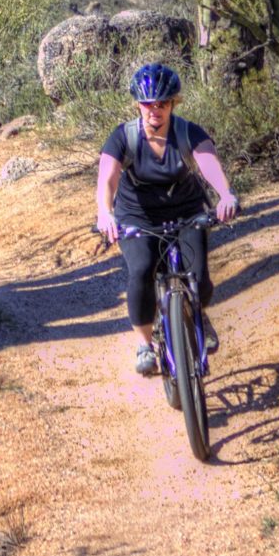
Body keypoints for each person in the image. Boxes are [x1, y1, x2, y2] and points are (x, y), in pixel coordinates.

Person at [94, 62, 239, 379]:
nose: (154, 110)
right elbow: (108, 178)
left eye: (162, 103)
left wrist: (225, 195)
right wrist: (105, 213)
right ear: (138, 105)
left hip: (187, 212)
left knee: (198, 280)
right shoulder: (124, 137)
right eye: (148, 104)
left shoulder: (188, 133)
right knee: (142, 270)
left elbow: (208, 163)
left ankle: (196, 313)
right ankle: (145, 344)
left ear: (174, 103)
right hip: (138, 217)